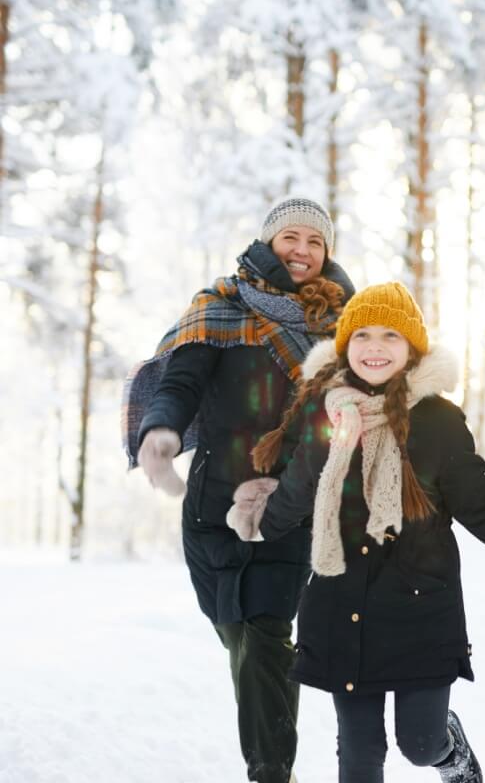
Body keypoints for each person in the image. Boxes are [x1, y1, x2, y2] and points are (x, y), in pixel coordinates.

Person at [225, 281, 485, 783]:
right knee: (359, 754)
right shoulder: (328, 415)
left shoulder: (437, 422)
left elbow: (479, 501)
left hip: (420, 606)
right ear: (344, 347)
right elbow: (298, 488)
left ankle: (453, 754)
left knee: (420, 743)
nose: (374, 347)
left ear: (411, 349)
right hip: (344, 607)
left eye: (389, 336)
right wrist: (257, 524)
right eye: (361, 335)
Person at [121, 197, 355, 783]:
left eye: (315, 242)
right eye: (290, 238)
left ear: (327, 253)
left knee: (269, 635)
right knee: (239, 637)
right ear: (268, 243)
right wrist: (162, 430)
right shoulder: (219, 308)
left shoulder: (342, 324)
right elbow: (180, 382)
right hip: (211, 506)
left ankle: (270, 772)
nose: (302, 251)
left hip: (290, 504)